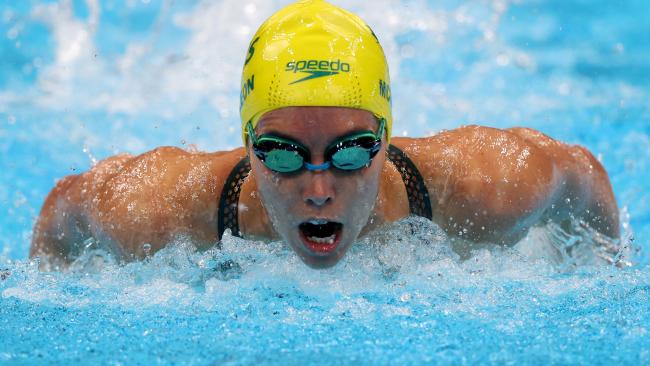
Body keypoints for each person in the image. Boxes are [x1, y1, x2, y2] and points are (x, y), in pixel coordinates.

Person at [30, 0, 619, 269]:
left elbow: (581, 174)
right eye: (283, 154)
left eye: (352, 151)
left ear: (386, 140)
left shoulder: (489, 187)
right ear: (248, 144)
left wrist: (604, 268)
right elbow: (66, 206)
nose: (318, 188)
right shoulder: (159, 213)